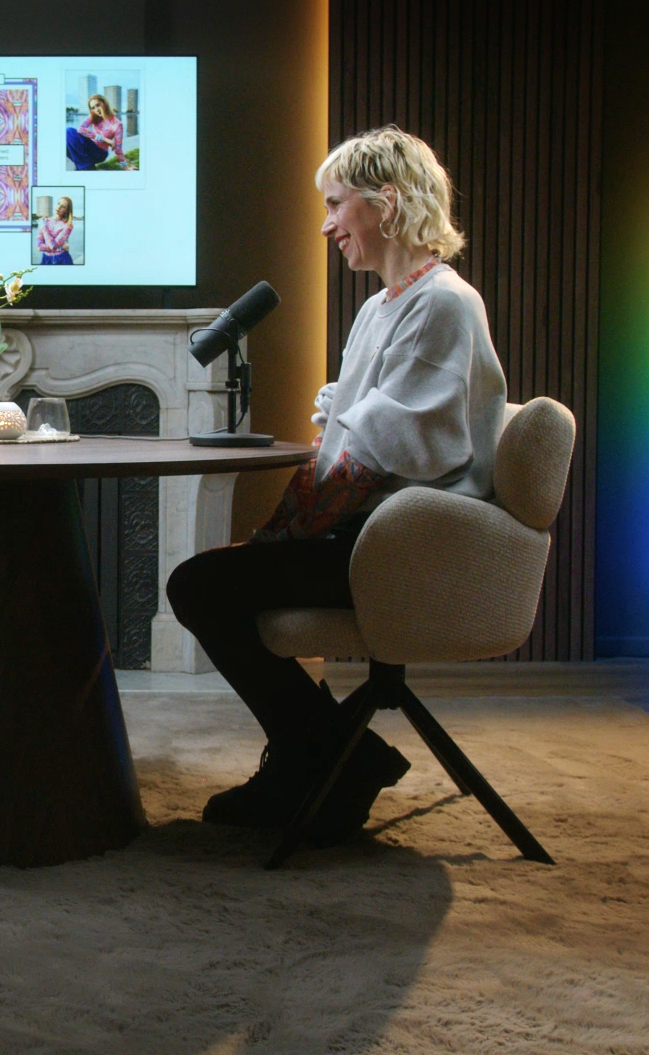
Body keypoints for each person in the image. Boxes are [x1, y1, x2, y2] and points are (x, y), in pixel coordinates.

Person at [165, 126, 507, 843]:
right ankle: (332, 755)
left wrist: (340, 427)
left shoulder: (445, 303)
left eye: (335, 204)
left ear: (388, 203)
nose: (326, 226)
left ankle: (321, 759)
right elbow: (362, 433)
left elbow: (410, 446)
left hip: (407, 546)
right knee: (205, 584)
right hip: (368, 532)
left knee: (200, 587)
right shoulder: (382, 307)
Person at [66, 94, 126, 170]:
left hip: (100, 153)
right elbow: (80, 129)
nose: (96, 109)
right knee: (67, 136)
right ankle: (84, 166)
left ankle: (85, 167)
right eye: (93, 108)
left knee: (69, 131)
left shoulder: (117, 124)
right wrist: (105, 139)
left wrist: (125, 167)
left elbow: (118, 149)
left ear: (104, 103)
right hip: (90, 146)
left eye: (98, 105)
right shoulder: (94, 116)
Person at [36, 196, 75, 264]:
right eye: (58, 203)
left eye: (63, 207)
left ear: (66, 210)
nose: (59, 207)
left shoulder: (68, 226)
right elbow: (39, 247)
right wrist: (60, 248)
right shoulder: (45, 220)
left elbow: (53, 246)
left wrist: (43, 226)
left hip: (62, 260)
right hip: (46, 259)